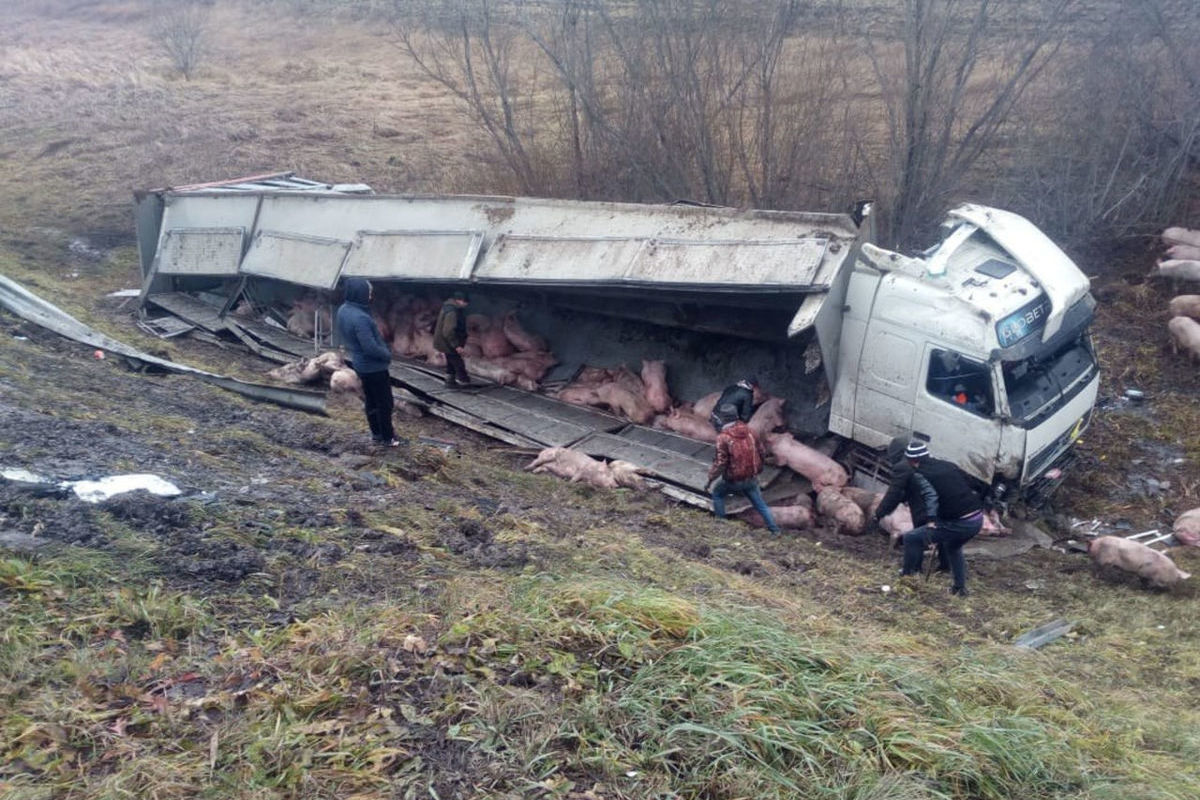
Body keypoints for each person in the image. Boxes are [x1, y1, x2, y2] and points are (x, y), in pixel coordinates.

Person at [872, 440, 983, 596]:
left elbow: (931, 497)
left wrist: (932, 519)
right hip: (977, 518)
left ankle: (907, 578)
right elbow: (971, 484)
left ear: (911, 461)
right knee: (953, 546)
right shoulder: (947, 465)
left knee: (911, 538)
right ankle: (960, 589)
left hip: (960, 522)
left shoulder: (920, 475)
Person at [335, 278, 400, 447]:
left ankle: (377, 433)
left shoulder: (344, 310)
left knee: (371, 400)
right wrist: (386, 355)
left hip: (360, 363)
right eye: (368, 292)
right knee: (385, 403)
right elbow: (370, 347)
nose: (370, 296)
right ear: (360, 293)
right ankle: (388, 437)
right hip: (374, 367)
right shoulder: (361, 317)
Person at [704, 411, 780, 535]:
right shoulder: (751, 431)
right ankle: (775, 530)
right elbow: (761, 451)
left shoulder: (723, 438)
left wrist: (710, 479)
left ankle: (720, 525)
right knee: (760, 505)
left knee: (717, 494)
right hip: (751, 478)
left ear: (722, 420)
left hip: (734, 480)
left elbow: (720, 463)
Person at [434, 290, 471, 388]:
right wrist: (456, 345)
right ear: (459, 300)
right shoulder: (452, 312)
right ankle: (465, 382)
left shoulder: (449, 307)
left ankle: (450, 381)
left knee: (451, 361)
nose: (466, 305)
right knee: (458, 363)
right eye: (465, 302)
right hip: (449, 342)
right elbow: (448, 331)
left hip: (446, 342)